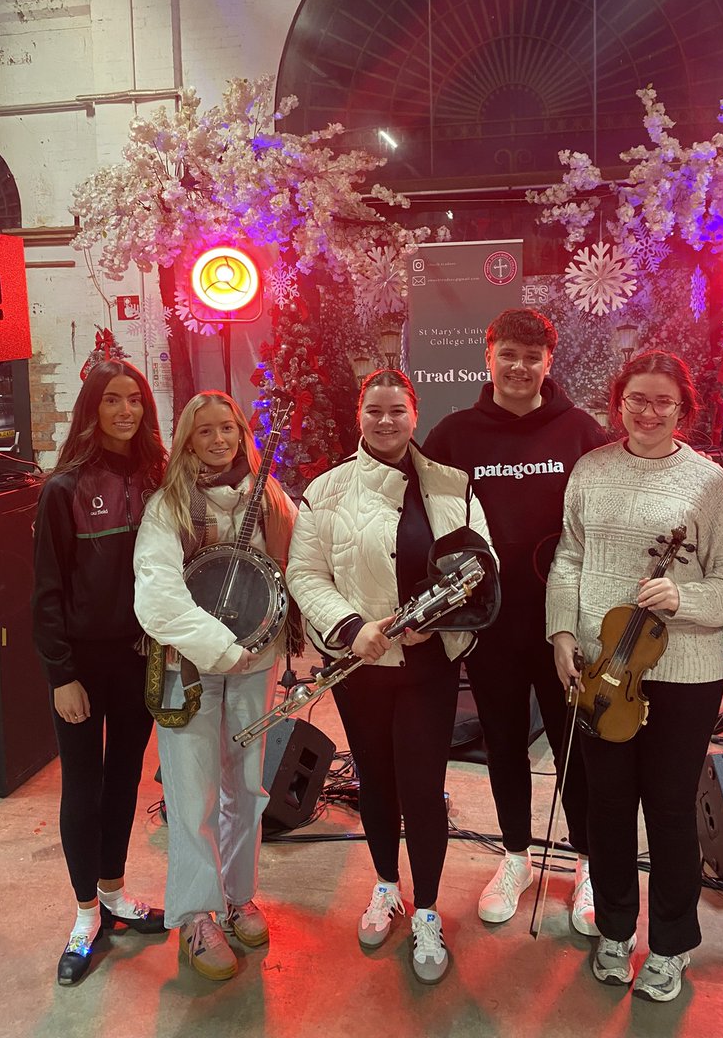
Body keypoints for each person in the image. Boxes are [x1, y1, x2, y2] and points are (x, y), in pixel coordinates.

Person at [547, 350, 723, 1002]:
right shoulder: (592, 469)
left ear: (683, 407)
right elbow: (569, 557)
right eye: (638, 398)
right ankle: (614, 930)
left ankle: (670, 944)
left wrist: (683, 598)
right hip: (604, 669)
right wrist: (561, 632)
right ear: (619, 403)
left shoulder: (710, 483)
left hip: (685, 675)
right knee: (608, 808)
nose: (650, 411)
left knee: (668, 811)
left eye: (664, 401)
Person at [285, 369, 495, 984]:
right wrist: (351, 627)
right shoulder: (325, 491)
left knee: (423, 789)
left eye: (396, 410)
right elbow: (306, 574)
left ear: (414, 414)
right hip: (363, 667)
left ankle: (427, 910)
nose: (385, 421)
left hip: (430, 668)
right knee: (375, 782)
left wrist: (440, 619)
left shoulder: (453, 486)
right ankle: (384, 886)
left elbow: (483, 567)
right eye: (374, 411)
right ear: (359, 415)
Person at [422, 308, 606, 932]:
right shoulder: (453, 436)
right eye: (509, 355)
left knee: (574, 747)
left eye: (532, 357)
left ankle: (587, 864)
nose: (520, 367)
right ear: (489, 356)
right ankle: (516, 856)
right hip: (491, 625)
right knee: (503, 744)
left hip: (564, 627)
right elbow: (425, 521)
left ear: (548, 362)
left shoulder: (581, 432)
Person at [133, 390, 298, 982]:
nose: (219, 439)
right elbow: (158, 591)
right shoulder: (169, 505)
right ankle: (197, 914)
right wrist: (220, 648)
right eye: (204, 431)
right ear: (187, 439)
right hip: (190, 669)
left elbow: (298, 568)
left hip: (257, 664)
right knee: (191, 791)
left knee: (247, 788)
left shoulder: (270, 498)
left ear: (242, 432)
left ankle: (238, 896)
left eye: (227, 428)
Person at [32, 360, 168, 987]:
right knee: (82, 786)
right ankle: (86, 912)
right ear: (92, 407)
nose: (125, 411)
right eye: (112, 400)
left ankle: (113, 892)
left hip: (138, 658)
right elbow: (46, 593)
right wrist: (61, 674)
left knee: (124, 780)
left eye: (134, 399)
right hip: (81, 667)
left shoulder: (156, 477)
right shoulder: (62, 489)